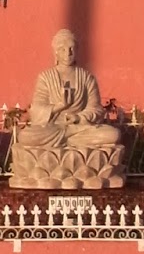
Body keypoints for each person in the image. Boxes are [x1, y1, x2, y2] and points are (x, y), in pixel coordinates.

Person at [9, 29, 125, 189]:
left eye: (71, 48)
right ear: (55, 52)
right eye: (62, 49)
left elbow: (96, 110)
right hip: (54, 129)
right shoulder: (46, 77)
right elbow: (36, 111)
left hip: (79, 129)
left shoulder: (86, 77)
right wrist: (58, 107)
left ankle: (69, 142)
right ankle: (68, 143)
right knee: (26, 137)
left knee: (112, 134)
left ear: (76, 50)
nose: (68, 53)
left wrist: (78, 118)